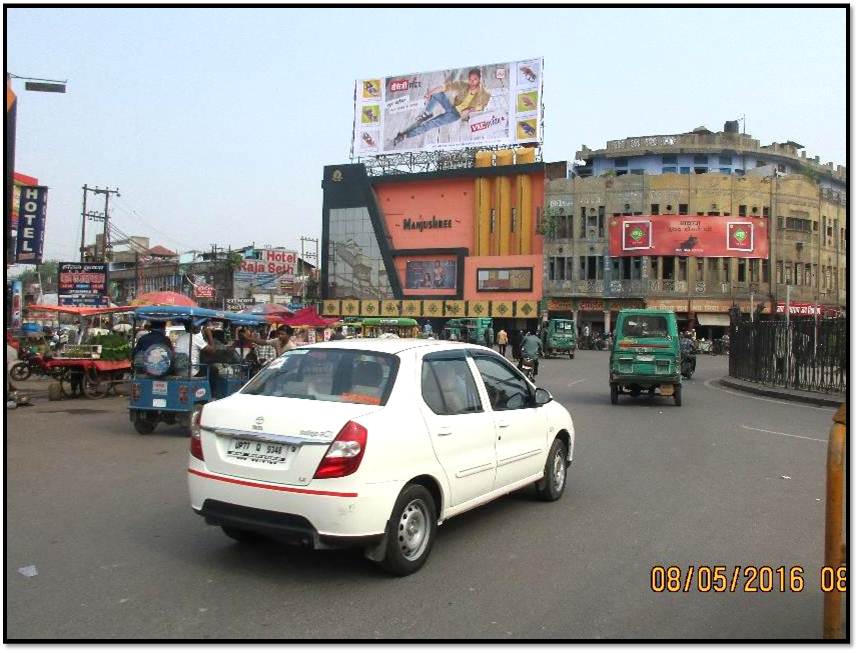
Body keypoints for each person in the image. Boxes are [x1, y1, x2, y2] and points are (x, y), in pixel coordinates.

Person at [393, 68, 491, 146]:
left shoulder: (485, 93)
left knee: (430, 124)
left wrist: (470, 109)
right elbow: (445, 87)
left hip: (455, 115)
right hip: (452, 107)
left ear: (479, 79)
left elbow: (482, 106)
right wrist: (429, 93)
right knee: (438, 93)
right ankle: (428, 112)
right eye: (470, 79)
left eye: (475, 79)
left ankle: (405, 136)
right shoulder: (464, 84)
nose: (472, 82)